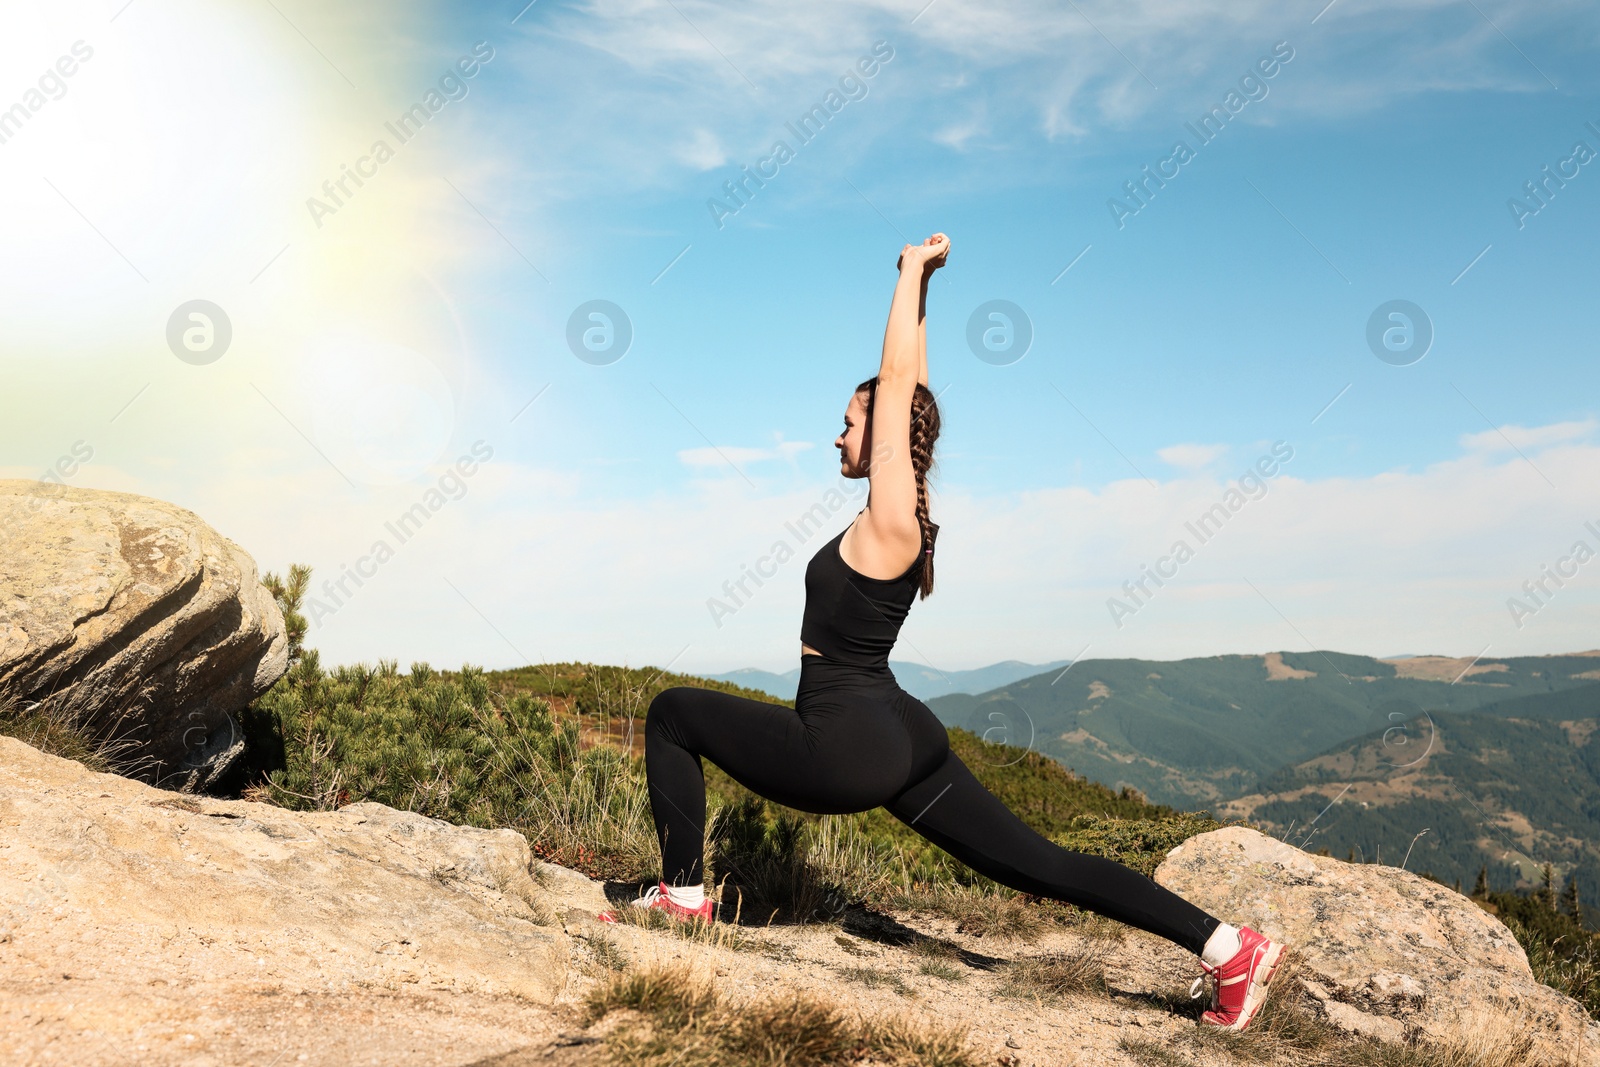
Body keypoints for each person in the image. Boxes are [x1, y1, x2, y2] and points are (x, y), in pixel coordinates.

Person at [599, 232, 1286, 1031]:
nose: (839, 434)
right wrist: (918, 291)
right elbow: (912, 389)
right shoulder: (907, 513)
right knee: (1042, 863)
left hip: (845, 743)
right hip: (902, 730)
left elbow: (896, 383)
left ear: (883, 432)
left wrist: (912, 273)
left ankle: (682, 897)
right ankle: (1229, 947)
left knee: (674, 712)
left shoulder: (890, 516)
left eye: (850, 421)